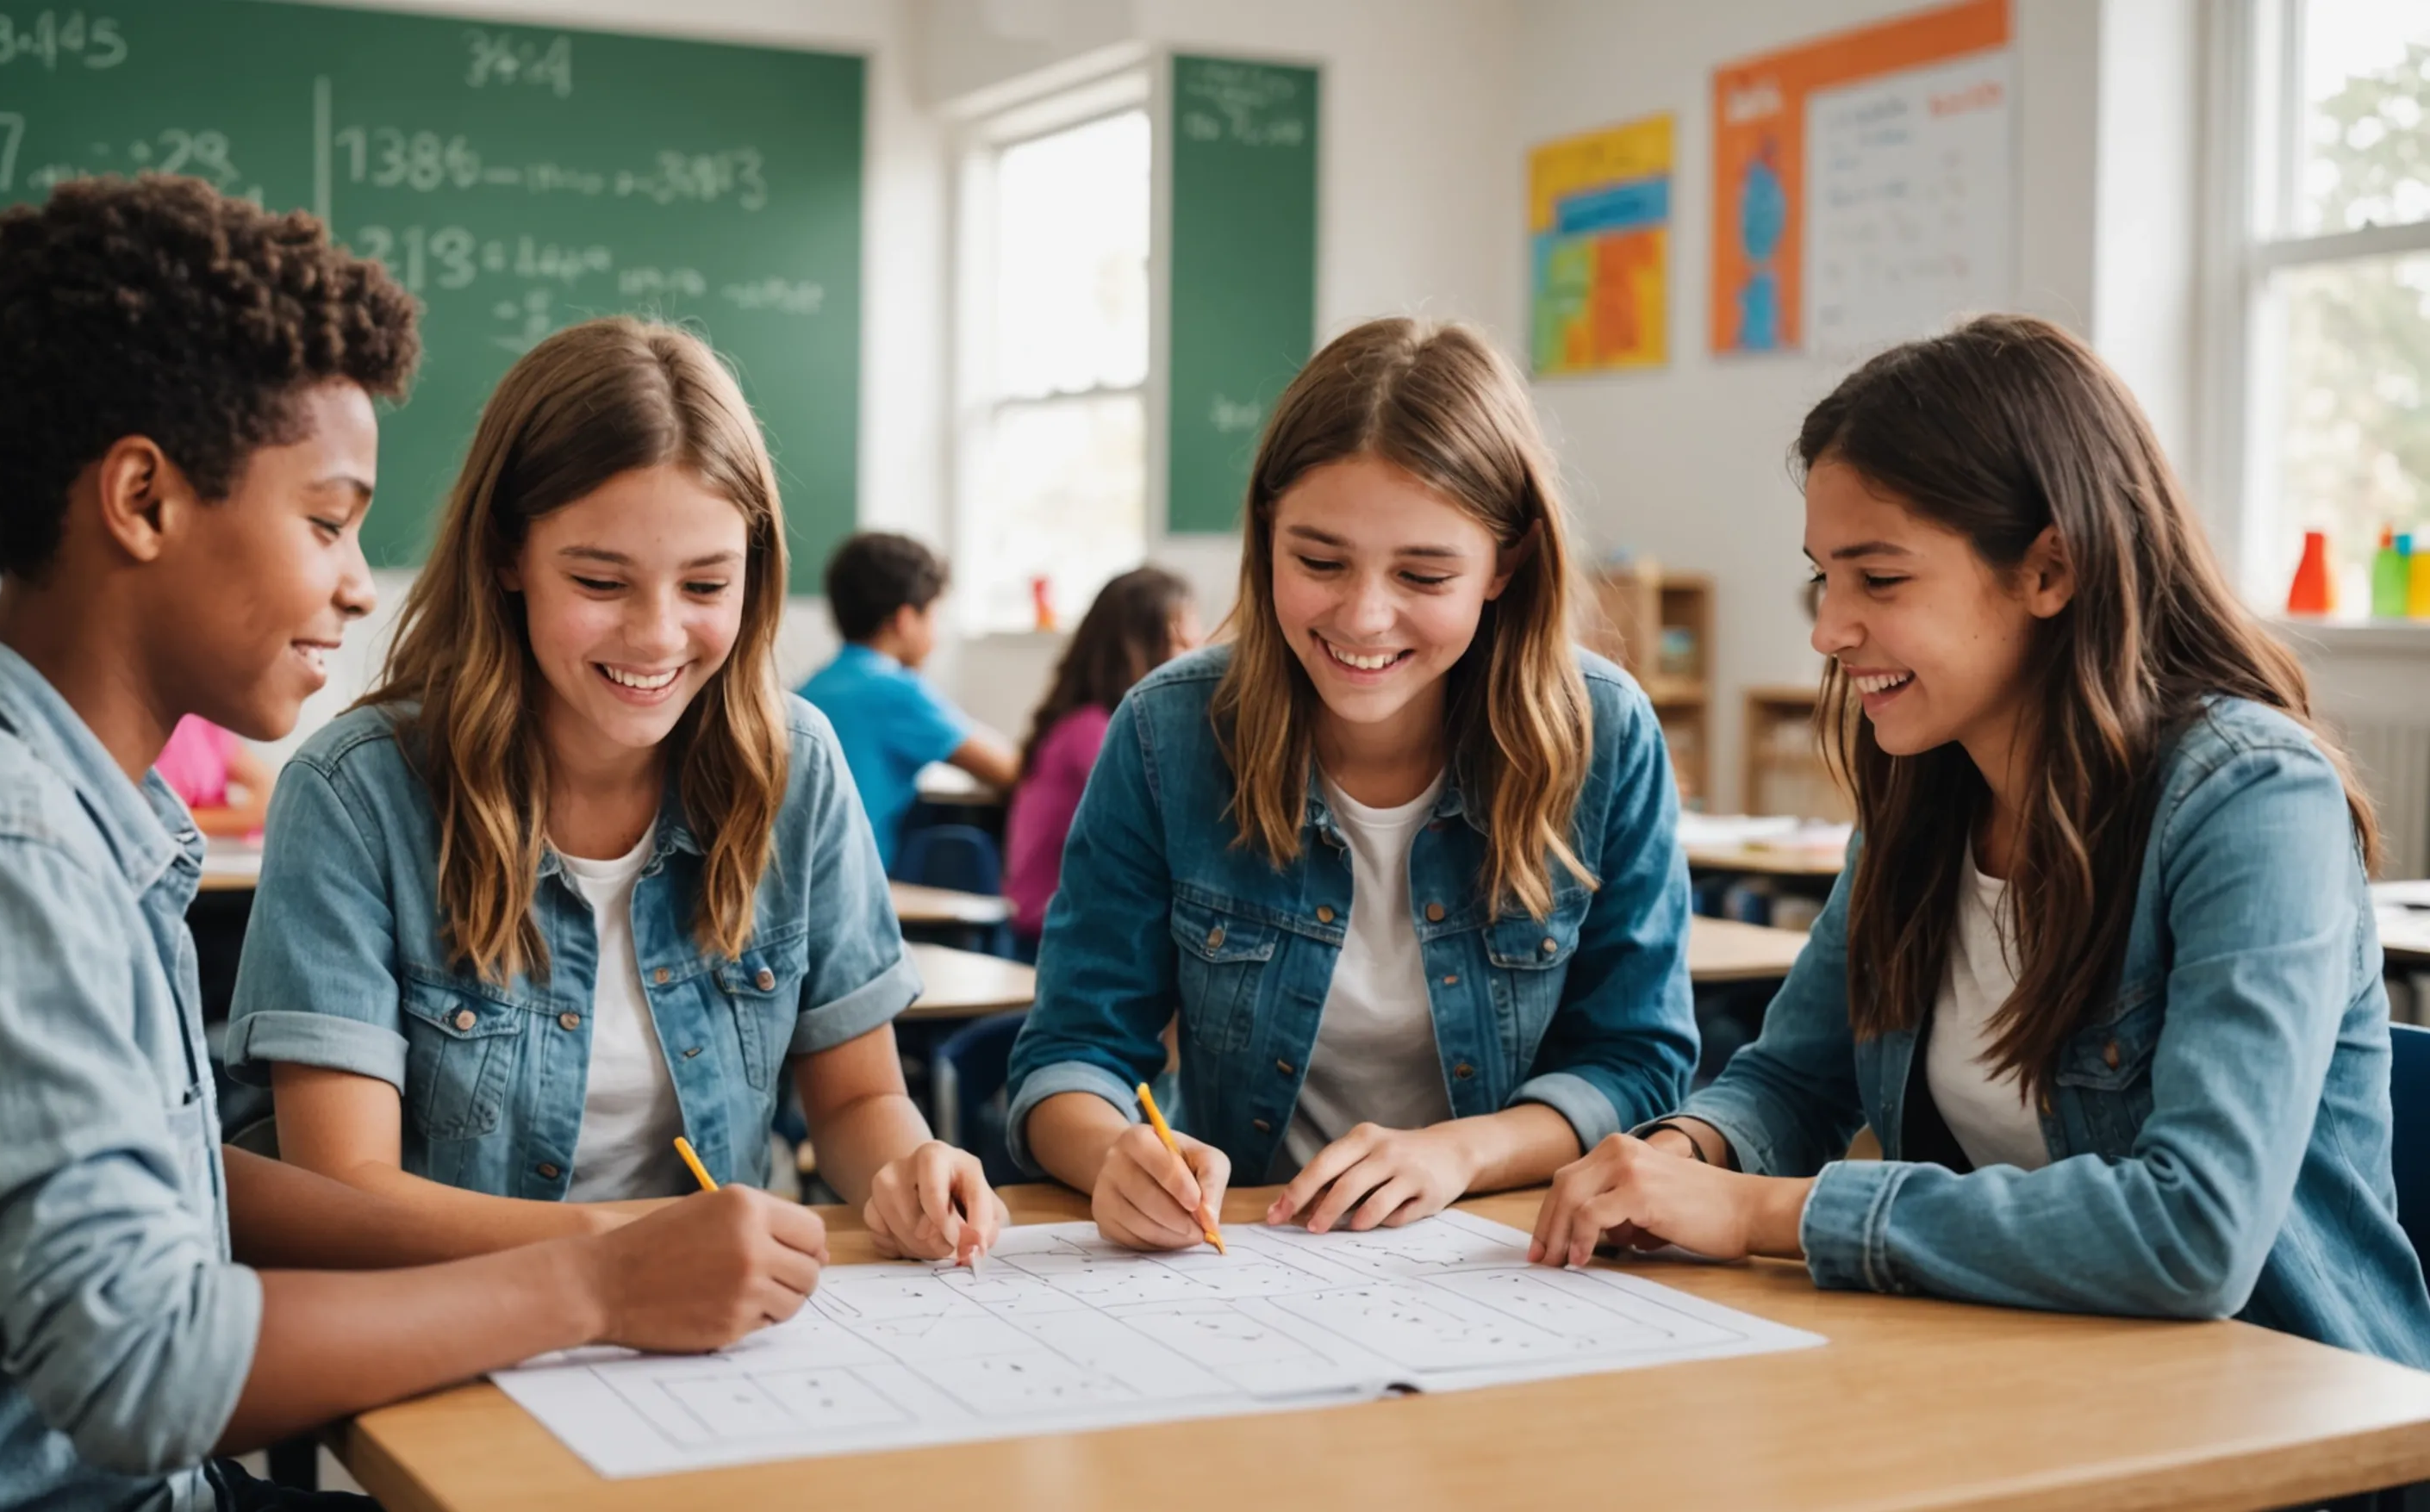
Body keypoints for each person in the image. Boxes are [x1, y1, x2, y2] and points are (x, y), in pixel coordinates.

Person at [0, 175, 831, 1512]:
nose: (355, 578)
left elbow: (163, 1182)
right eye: (328, 520)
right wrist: (594, 1278)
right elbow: (148, 1359)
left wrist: (599, 1241)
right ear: (144, 500)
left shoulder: (58, 805)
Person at [1531, 314, 2430, 1367]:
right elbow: (1791, 1080)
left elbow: (2197, 1233)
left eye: (1881, 579)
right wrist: (1681, 1156)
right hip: (2025, 1373)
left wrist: (1765, 1212)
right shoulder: (1928, 791)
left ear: (2050, 571)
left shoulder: (2253, 800)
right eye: (1825, 577)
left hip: (2280, 1408)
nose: (1828, 630)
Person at [226, 316, 1005, 1266]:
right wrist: (628, 1256)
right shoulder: (358, 795)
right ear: (508, 555)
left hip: (708, 1331)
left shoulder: (795, 765)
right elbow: (346, 1195)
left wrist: (908, 1165)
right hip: (451, 1335)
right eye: (601, 580)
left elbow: (855, 1100)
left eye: (707, 586)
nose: (656, 636)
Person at [1006, 317, 1697, 1249]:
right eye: (1319, 562)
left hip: (1503, 1257)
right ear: (1265, 535)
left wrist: (1461, 1153)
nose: (1365, 617)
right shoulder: (1169, 733)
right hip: (1245, 1251)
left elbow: (1639, 1063)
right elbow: (1071, 1052)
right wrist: (1112, 1154)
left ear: (1509, 562)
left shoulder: (1602, 734)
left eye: (1424, 573)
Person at [1004, 566, 1201, 947]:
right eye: (1183, 641)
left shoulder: (1087, 722)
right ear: (1140, 647)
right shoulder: (1094, 732)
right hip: (1053, 939)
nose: (1198, 656)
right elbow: (1175, 828)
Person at [796, 532, 1018, 866]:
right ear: (904, 621)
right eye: (934, 616)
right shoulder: (895, 690)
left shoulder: (811, 689)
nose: (937, 634)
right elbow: (1010, 770)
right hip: (858, 888)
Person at [155, 712, 277, 837]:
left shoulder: (205, 724)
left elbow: (268, 787)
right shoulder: (154, 728)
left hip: (218, 847)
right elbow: (162, 820)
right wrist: (244, 819)